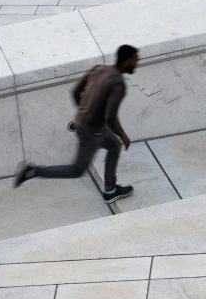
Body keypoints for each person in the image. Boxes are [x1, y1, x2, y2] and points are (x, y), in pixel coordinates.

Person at [14, 44, 139, 204]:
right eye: (135, 60)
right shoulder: (118, 85)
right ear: (127, 61)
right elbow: (110, 117)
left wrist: (84, 113)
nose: (137, 62)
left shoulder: (99, 68)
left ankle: (110, 190)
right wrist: (123, 135)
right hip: (93, 131)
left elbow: (75, 91)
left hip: (88, 125)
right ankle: (33, 171)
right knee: (77, 170)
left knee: (114, 146)